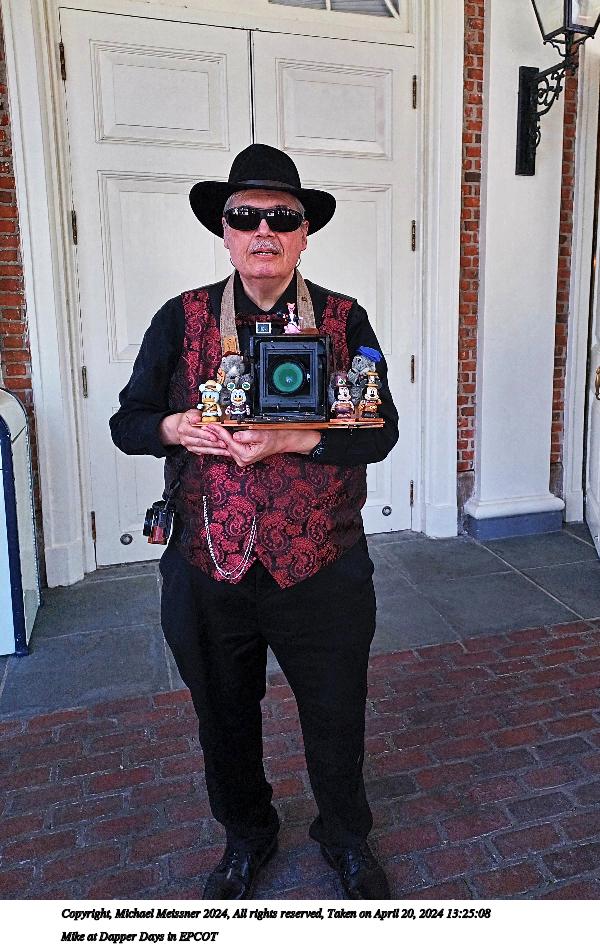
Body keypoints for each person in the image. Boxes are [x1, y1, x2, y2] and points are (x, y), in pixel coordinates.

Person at [110, 144, 399, 900]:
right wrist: (175, 427)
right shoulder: (181, 318)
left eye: (281, 217)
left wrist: (294, 439)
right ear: (226, 232)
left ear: (304, 234)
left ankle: (345, 836)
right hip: (210, 565)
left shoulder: (344, 319)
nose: (263, 230)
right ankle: (247, 835)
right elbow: (127, 422)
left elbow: (380, 431)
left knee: (336, 714)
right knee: (223, 719)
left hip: (322, 564)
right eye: (246, 216)